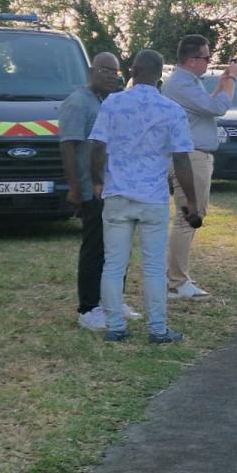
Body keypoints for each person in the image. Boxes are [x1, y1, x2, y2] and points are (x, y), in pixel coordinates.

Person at [89, 49, 202, 344]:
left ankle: (115, 326)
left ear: (133, 71)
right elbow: (181, 159)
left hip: (117, 194)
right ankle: (158, 329)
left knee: (114, 263)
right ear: (159, 76)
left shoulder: (113, 103)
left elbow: (97, 147)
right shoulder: (171, 110)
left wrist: (97, 181)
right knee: (153, 266)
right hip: (152, 197)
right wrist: (190, 200)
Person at [60, 52, 141, 330]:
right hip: (90, 189)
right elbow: (68, 146)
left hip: (112, 189)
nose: (110, 76)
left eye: (115, 72)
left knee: (116, 248)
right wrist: (75, 188)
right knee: (94, 249)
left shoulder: (106, 102)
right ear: (91, 71)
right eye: (105, 70)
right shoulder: (78, 102)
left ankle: (113, 302)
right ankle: (88, 308)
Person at [161, 34, 237, 300]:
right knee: (189, 217)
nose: (210, 62)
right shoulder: (182, 84)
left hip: (195, 156)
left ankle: (177, 277)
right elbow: (218, 108)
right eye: (206, 57)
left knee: (189, 216)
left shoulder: (187, 83)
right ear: (191, 60)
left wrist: (221, 85)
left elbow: (204, 108)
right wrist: (231, 79)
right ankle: (177, 281)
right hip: (192, 157)